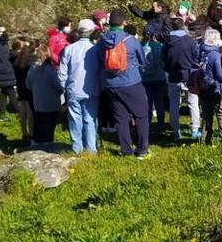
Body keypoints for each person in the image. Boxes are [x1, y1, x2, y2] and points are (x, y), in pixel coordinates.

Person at [102, 9, 151, 159]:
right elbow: (143, 61)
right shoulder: (131, 40)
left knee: (121, 119)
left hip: (111, 84)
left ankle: (126, 151)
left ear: (110, 23)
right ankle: (142, 150)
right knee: (141, 116)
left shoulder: (103, 40)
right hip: (131, 82)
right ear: (124, 23)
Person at [58, 19, 103, 153]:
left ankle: (77, 147)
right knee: (90, 119)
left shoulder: (69, 49)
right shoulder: (96, 50)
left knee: (74, 119)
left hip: (73, 89)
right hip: (92, 89)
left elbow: (62, 73)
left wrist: (64, 88)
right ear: (91, 32)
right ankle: (91, 149)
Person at [163, 18, 201, 140]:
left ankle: (176, 130)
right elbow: (196, 57)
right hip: (189, 75)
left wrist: (168, 70)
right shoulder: (190, 41)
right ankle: (195, 130)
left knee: (174, 104)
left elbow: (163, 60)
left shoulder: (166, 43)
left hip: (173, 76)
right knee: (193, 102)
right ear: (183, 25)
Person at [196, 29, 222, 144]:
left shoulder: (200, 52)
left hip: (202, 88)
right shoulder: (216, 55)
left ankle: (205, 140)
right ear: (217, 40)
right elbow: (221, 74)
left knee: (206, 116)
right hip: (216, 89)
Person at [27, 44, 64, 146]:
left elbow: (28, 84)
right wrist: (62, 91)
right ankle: (47, 147)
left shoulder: (33, 68)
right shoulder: (51, 70)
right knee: (48, 128)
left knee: (38, 125)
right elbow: (58, 86)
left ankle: (35, 143)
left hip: (38, 103)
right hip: (51, 104)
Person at [141, 29, 168, 129]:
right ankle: (161, 123)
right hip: (159, 77)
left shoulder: (142, 46)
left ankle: (147, 123)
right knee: (159, 102)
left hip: (145, 78)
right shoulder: (161, 46)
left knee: (147, 102)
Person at [11, 39, 34, 142]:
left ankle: (24, 132)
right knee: (29, 112)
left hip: (20, 87)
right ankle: (31, 131)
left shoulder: (16, 63)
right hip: (28, 88)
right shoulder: (29, 64)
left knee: (22, 111)